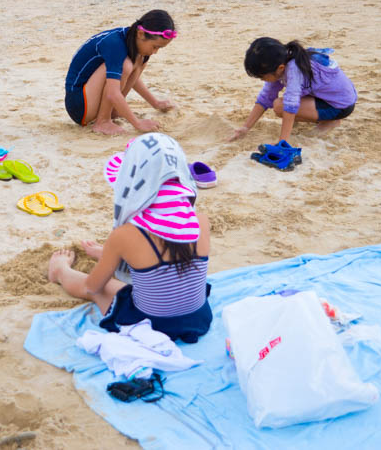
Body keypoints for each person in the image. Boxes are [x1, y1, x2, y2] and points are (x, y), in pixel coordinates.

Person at [47, 133, 213, 344]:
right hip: (198, 320)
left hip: (151, 327)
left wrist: (108, 254)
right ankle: (108, 257)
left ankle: (60, 271)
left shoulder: (125, 235)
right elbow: (169, 258)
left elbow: (92, 287)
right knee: (161, 278)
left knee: (99, 288)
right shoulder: (201, 221)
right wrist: (106, 253)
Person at [64, 10, 176, 136]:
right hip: (78, 105)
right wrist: (138, 123)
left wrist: (155, 103)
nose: (155, 52)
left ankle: (110, 112)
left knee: (138, 61)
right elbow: (113, 92)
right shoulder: (115, 43)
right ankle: (102, 121)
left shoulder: (136, 45)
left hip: (91, 98)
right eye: (155, 46)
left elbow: (132, 79)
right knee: (125, 65)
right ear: (140, 33)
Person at [228, 38, 357, 143]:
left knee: (280, 106)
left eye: (262, 77)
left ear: (280, 68)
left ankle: (331, 122)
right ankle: (323, 117)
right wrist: (245, 128)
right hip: (323, 97)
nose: (262, 80)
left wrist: (282, 143)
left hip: (340, 105)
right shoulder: (281, 61)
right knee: (280, 105)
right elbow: (266, 97)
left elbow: (290, 107)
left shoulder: (295, 70)